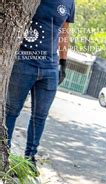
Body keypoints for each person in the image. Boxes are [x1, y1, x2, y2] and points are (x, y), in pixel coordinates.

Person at [6, 0, 75, 174]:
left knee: (40, 117)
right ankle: (4, 156)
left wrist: (63, 62)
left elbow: (64, 32)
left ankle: (30, 160)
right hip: (23, 62)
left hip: (50, 67)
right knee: (11, 110)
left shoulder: (69, 2)